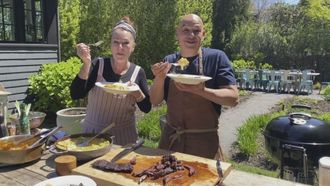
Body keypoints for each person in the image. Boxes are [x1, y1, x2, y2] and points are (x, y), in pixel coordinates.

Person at [150, 14, 239, 160]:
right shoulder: (170, 61)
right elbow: (154, 100)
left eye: (196, 31)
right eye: (185, 30)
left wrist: (203, 91)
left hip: (205, 146)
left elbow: (233, 98)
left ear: (203, 35)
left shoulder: (216, 58)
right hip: (170, 143)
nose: (191, 35)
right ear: (177, 34)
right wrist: (159, 78)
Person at [70, 16, 151, 146]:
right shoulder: (98, 65)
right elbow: (76, 94)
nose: (120, 47)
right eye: (116, 42)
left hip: (124, 139)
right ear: (110, 45)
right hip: (92, 137)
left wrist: (138, 94)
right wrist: (86, 63)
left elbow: (146, 108)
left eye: (125, 43)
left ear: (133, 47)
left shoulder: (138, 72)